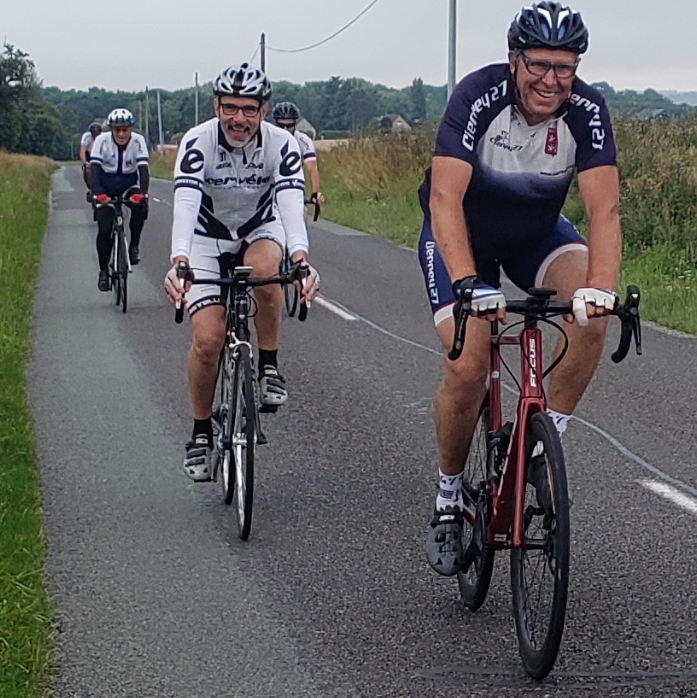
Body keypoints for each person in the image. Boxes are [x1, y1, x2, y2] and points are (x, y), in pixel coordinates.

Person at [418, 2, 621, 576]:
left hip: (537, 234)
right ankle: (449, 498)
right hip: (464, 237)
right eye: (540, 64)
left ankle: (539, 445)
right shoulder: (476, 96)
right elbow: (444, 199)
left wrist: (600, 288)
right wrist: (467, 283)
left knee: (591, 317)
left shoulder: (587, 110)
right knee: (467, 366)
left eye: (566, 66)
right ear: (514, 59)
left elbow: (604, 210)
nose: (552, 80)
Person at [164, 63, 320, 482]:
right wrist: (180, 261)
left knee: (267, 270)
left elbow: (291, 204)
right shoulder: (197, 142)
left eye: (249, 109)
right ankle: (200, 431)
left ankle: (268, 366)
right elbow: (185, 205)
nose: (239, 119)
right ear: (216, 107)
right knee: (208, 340)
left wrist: (300, 259)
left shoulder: (282, 144)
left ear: (263, 112)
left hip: (258, 228)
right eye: (230, 108)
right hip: (206, 237)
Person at [90, 108, 150, 290]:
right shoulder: (101, 141)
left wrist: (142, 193)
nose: (122, 134)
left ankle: (134, 246)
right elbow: (94, 171)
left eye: (125, 130)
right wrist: (98, 193)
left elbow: (143, 171)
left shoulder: (138, 141)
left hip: (128, 183)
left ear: (131, 129)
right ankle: (103, 271)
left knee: (141, 206)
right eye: (118, 130)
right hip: (105, 185)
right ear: (112, 130)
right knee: (104, 228)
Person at [271, 101, 325, 215]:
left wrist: (315, 193)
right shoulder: (267, 139)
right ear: (275, 123)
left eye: (289, 125)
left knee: (302, 213)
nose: (285, 129)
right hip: (269, 185)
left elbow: (312, 168)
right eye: (281, 125)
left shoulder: (303, 140)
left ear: (295, 123)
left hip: (292, 185)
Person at [79, 121, 102, 193]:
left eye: (97, 134)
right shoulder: (87, 137)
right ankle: (90, 186)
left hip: (99, 154)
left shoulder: (103, 137)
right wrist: (85, 163)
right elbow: (82, 151)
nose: (96, 136)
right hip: (89, 154)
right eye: (94, 134)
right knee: (87, 169)